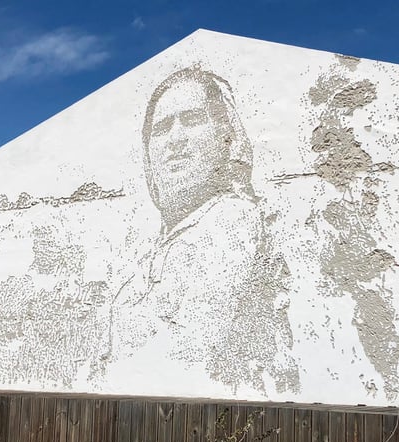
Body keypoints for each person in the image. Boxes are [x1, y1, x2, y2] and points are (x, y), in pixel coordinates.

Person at [105, 67, 299, 396]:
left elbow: (191, 352)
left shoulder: (230, 220)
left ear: (225, 137)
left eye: (192, 120)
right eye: (162, 128)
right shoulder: (155, 246)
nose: (175, 139)